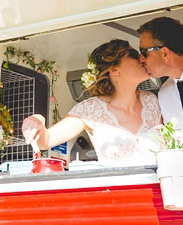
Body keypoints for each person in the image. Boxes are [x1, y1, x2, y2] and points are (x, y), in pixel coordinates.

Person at [20, 39, 162, 166]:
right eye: (133, 55)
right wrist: (37, 120)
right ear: (114, 70)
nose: (142, 59)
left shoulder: (152, 101)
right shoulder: (91, 110)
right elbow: (46, 141)